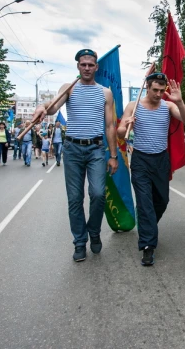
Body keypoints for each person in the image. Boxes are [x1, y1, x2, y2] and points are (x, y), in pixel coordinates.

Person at [31, 48, 118, 262]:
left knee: (98, 194)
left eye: (90, 64)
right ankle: (80, 242)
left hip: (96, 149)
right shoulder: (68, 88)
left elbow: (110, 126)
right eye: (83, 64)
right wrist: (41, 107)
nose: (87, 67)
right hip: (72, 149)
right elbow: (52, 109)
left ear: (96, 67)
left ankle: (94, 232)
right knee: (74, 198)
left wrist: (113, 155)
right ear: (78, 66)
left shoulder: (105, 92)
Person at [118, 72, 185, 266]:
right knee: (145, 204)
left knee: (162, 201)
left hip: (160, 160)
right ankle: (148, 247)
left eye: (162, 90)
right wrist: (126, 125)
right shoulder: (133, 107)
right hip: (140, 160)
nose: (159, 94)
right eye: (155, 90)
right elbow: (119, 132)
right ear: (147, 87)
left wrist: (181, 101)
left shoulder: (168, 106)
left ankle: (147, 225)